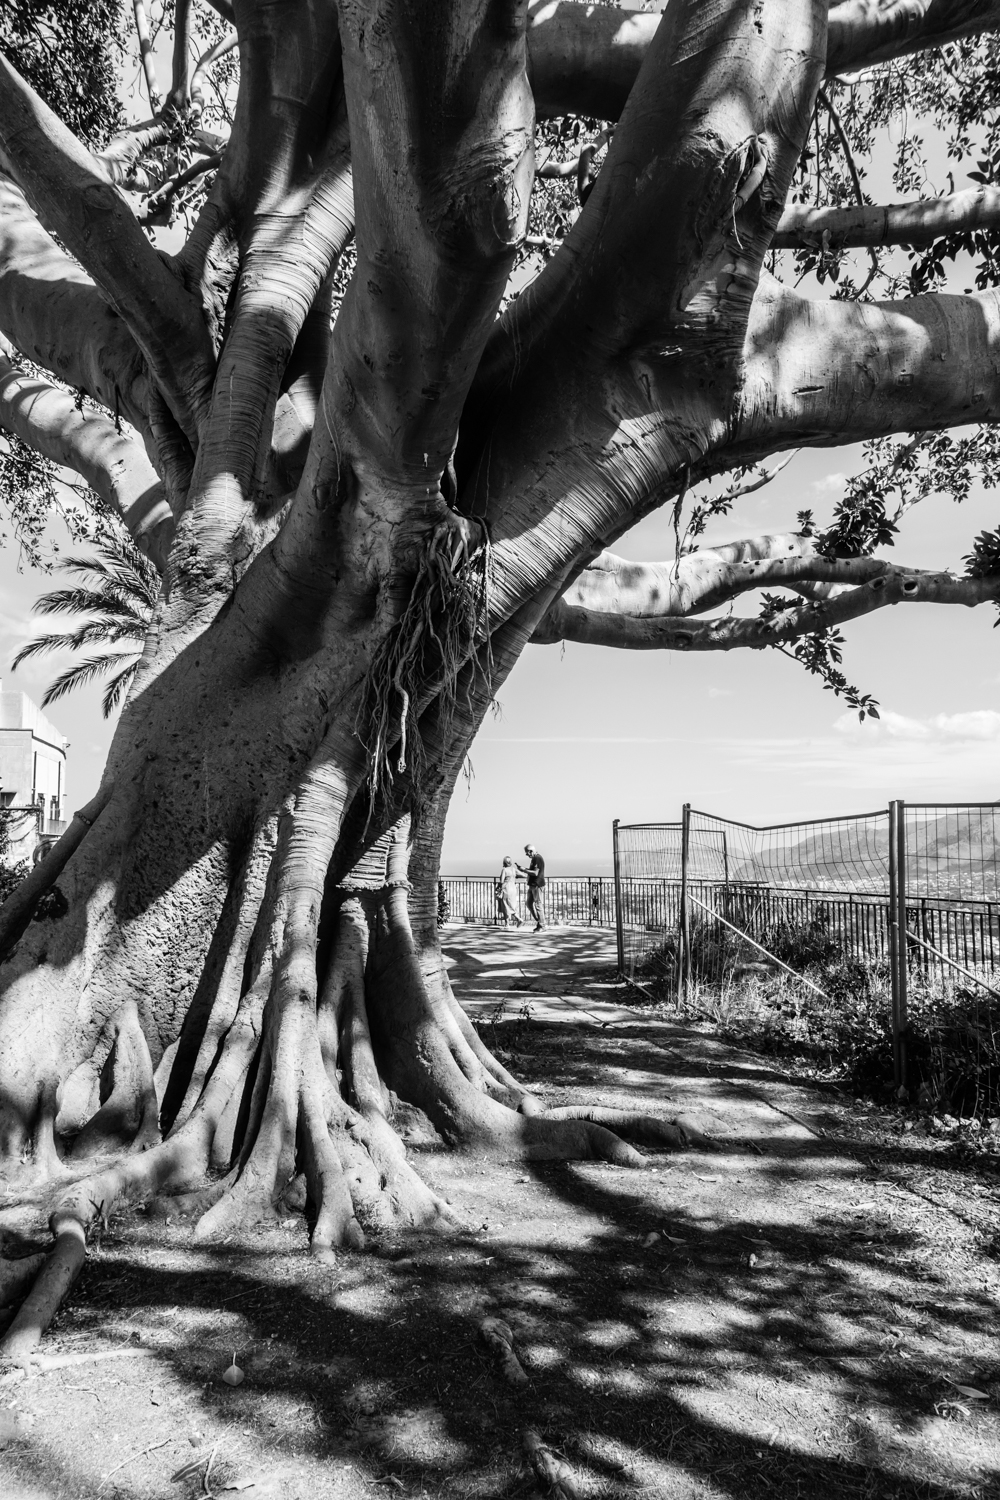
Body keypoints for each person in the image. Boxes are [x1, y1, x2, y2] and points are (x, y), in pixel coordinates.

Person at [516, 843, 546, 931]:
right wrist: (523, 869)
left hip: (537, 884)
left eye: (527, 853)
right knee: (529, 904)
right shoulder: (534, 858)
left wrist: (524, 870)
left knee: (538, 905)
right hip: (532, 884)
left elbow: (535, 873)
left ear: (531, 851)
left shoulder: (537, 858)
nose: (527, 855)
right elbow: (532, 871)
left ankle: (542, 925)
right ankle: (539, 921)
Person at [496, 855, 521, 927]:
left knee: (506, 905)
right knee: (511, 905)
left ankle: (516, 920)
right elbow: (524, 875)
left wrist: (498, 887)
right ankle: (508, 923)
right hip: (513, 888)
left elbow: (501, 881)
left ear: (504, 862)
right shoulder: (513, 869)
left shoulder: (504, 870)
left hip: (506, 888)